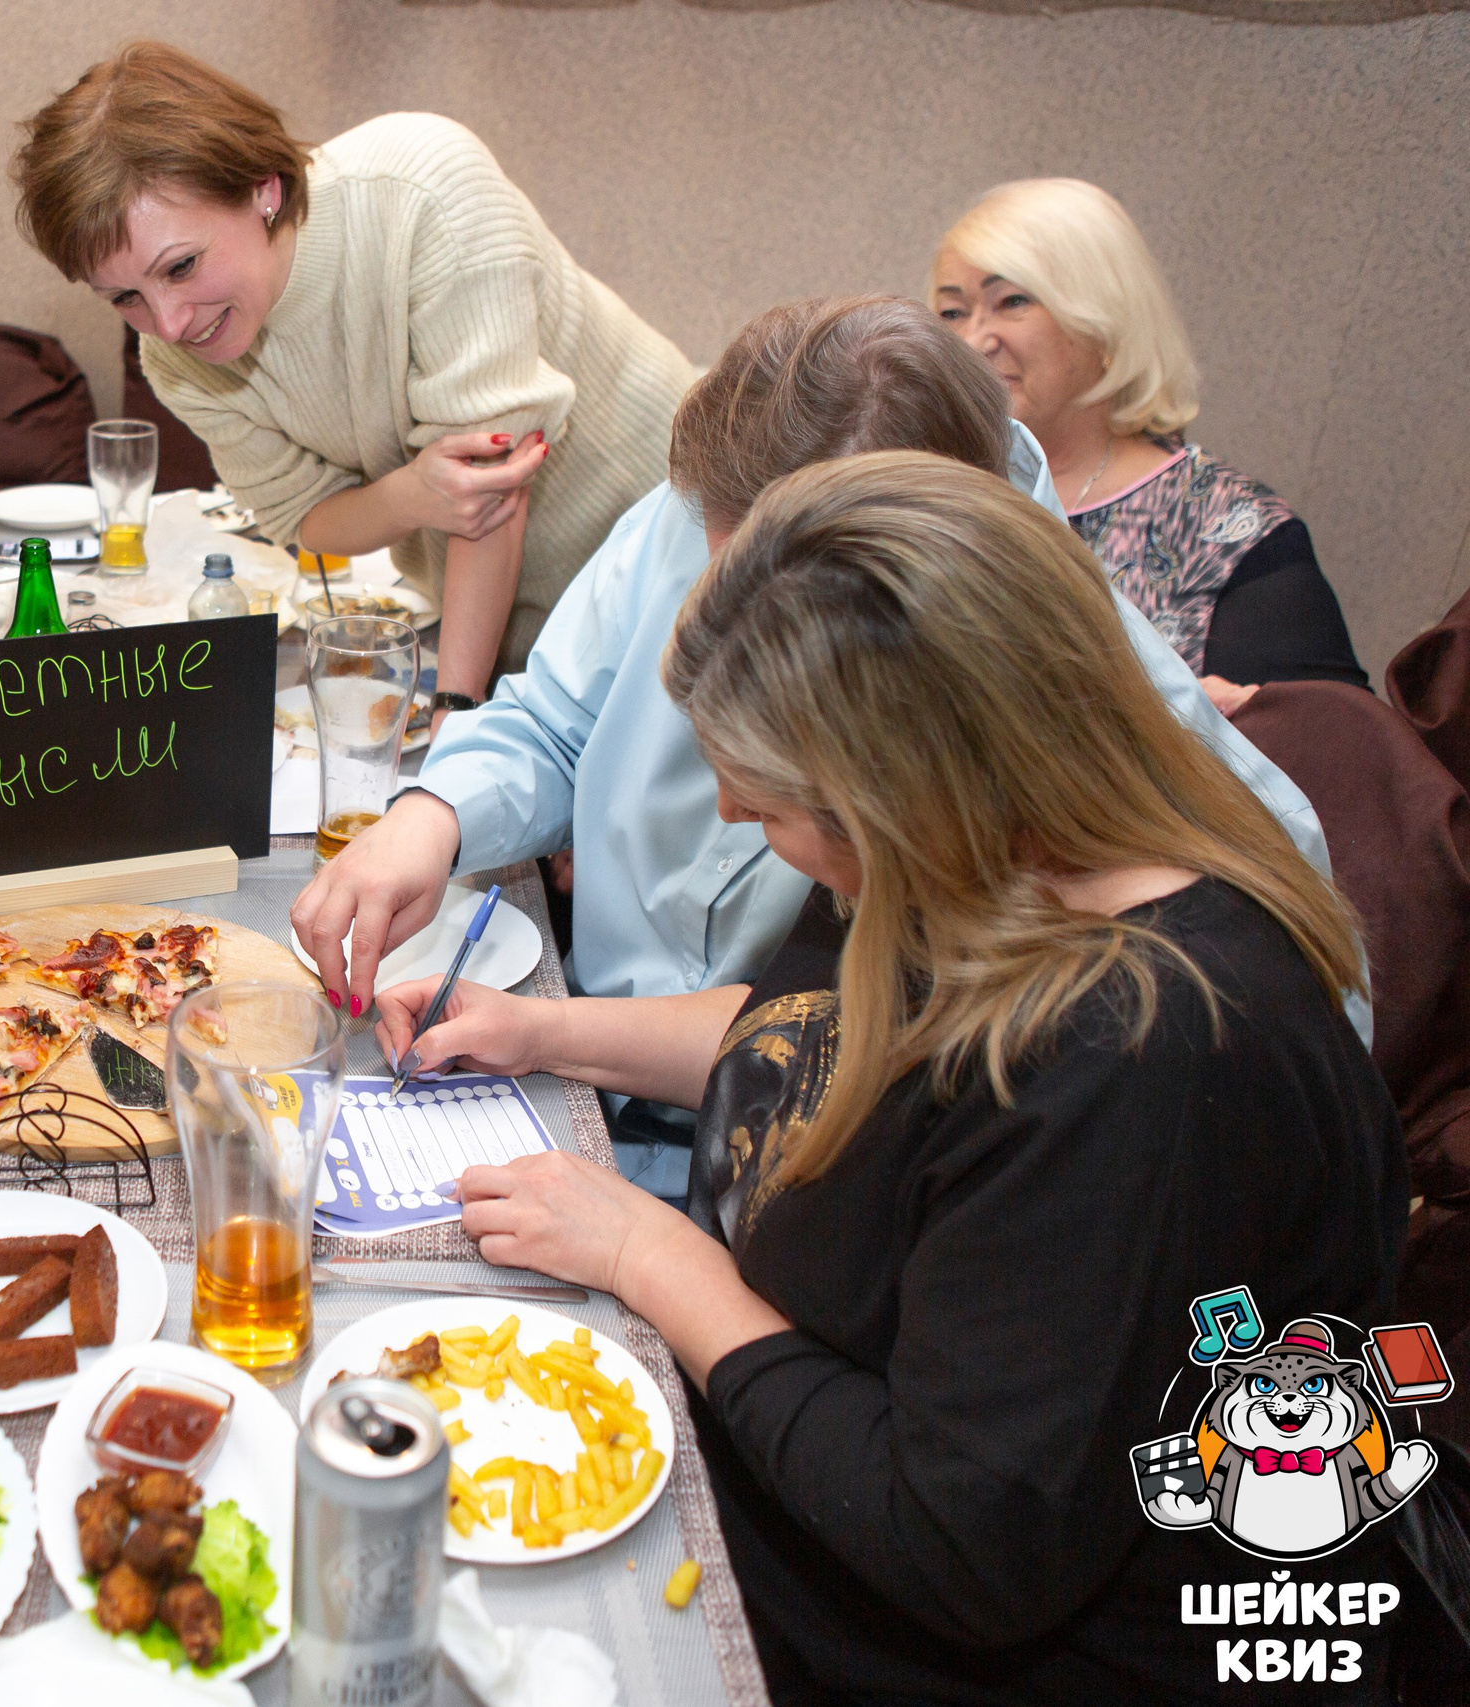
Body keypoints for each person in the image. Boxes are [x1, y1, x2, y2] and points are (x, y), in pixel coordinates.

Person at [381, 452, 1408, 1700]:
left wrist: (654, 1259)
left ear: (909, 790)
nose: (730, 813)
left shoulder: (1135, 1068)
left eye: (769, 807)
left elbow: (958, 1544)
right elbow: (814, 1037)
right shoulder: (995, 859)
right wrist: (549, 1033)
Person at [294, 299, 1357, 1186]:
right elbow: (553, 720)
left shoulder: (1112, 781)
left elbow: (865, 1041)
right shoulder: (713, 502)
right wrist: (428, 819)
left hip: (806, 1182)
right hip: (618, 1085)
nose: (727, 800)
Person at [12, 42, 696, 699]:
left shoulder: (424, 190)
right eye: (125, 297)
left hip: (687, 552)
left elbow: (490, 490)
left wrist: (457, 708)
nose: (168, 324)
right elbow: (306, 518)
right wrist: (412, 497)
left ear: (263, 189)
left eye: (182, 266)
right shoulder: (176, 359)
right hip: (528, 636)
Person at [931, 178, 1366, 696]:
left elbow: (1332, 742)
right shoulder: (925, 494)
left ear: (1107, 320)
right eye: (952, 313)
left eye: (1012, 301)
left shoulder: (1225, 525)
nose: (974, 341)